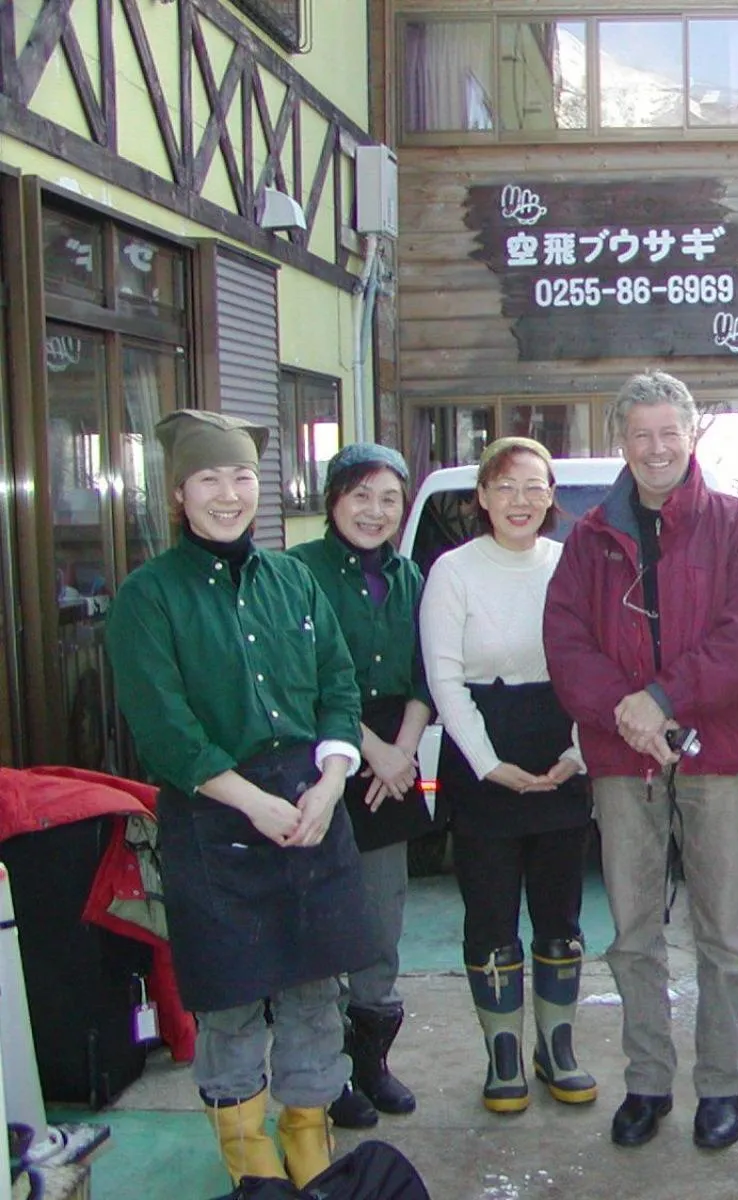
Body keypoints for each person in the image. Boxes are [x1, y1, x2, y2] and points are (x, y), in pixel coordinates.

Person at [106, 410, 367, 1188]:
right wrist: (252, 802)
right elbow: (165, 728)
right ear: (179, 494)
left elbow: (338, 686)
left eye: (244, 477)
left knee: (316, 993)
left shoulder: (294, 579)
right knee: (228, 1000)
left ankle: (309, 1143)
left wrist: (331, 780)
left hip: (311, 804)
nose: (230, 495)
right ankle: (249, 1160)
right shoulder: (147, 596)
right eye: (210, 479)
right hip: (212, 812)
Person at [545, 371, 738, 1152]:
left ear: (691, 435)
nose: (655, 449)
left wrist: (663, 701)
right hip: (622, 757)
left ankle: (721, 1086)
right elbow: (566, 644)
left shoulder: (736, 526)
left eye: (667, 433)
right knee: (634, 931)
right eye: (639, 434)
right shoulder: (588, 537)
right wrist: (627, 711)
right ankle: (648, 1081)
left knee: (722, 933)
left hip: (715, 752)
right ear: (622, 442)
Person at [419, 437, 595, 1114]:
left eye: (535, 487)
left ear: (552, 498)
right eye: (506, 487)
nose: (520, 501)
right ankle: (502, 1057)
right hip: (482, 762)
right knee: (491, 917)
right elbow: (444, 677)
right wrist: (489, 764)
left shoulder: (571, 564)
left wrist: (579, 751)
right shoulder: (453, 572)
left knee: (561, 917)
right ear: (483, 498)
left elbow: (596, 661)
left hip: (564, 751)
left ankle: (558, 1047)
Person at [286, 443, 437, 1130]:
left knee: (382, 915)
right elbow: (308, 680)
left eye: (388, 499)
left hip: (392, 758)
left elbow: (422, 675)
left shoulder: (410, 577)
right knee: (323, 919)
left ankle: (371, 1061)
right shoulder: (296, 574)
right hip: (321, 755)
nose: (375, 511)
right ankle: (326, 1072)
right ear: (333, 500)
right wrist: (371, 753)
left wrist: (402, 753)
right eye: (360, 496)